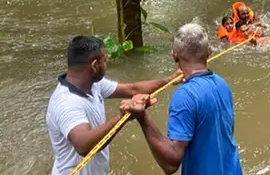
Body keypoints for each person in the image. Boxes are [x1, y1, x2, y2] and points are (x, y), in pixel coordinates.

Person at [45, 35, 181, 175]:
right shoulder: (67, 102)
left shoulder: (93, 85)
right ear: (94, 65)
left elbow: (132, 89)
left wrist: (169, 79)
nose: (106, 64)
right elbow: (84, 145)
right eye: (105, 60)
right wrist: (123, 116)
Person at [120, 23, 243, 175]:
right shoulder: (222, 83)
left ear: (174, 55)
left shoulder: (184, 95)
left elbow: (170, 163)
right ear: (209, 51)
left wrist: (142, 117)